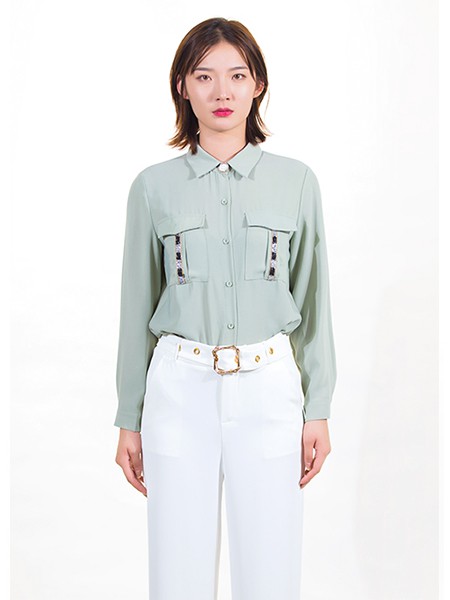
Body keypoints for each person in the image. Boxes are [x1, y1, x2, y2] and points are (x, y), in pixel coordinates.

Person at [114, 16, 337, 600]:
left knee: (271, 567)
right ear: (182, 86)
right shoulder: (152, 188)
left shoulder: (296, 182)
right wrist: (129, 416)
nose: (222, 91)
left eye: (237, 75)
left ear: (257, 84)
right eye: (204, 75)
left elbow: (314, 301)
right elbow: (136, 309)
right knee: (177, 569)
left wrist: (317, 407)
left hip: (270, 387)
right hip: (178, 390)